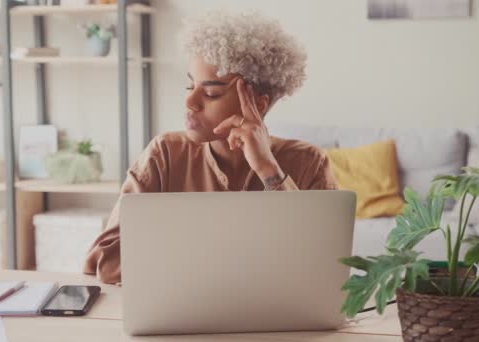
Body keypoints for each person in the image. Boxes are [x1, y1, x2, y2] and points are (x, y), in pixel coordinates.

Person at [84, 11, 338, 284]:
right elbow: (107, 262)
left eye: (211, 93)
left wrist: (268, 171)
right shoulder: (165, 155)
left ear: (258, 105)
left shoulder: (309, 162)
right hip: (179, 314)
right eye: (189, 85)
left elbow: (322, 268)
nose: (189, 101)